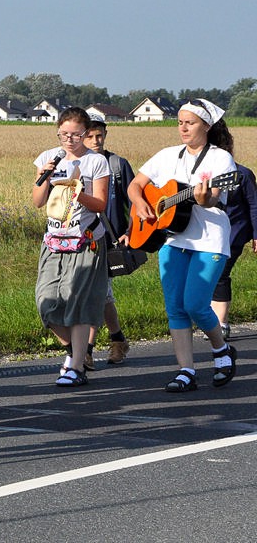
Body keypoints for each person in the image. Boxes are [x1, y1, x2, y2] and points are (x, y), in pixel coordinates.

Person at [127, 99, 237, 392]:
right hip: (173, 239)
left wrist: (204, 199)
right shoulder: (166, 156)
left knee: (195, 304)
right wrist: (140, 202)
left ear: (206, 126)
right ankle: (186, 371)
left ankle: (221, 349)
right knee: (175, 307)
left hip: (209, 239)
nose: (183, 127)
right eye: (180, 122)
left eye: (190, 122)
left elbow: (212, 198)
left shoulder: (220, 160)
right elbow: (135, 185)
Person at [33, 107, 110, 388]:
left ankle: (76, 366)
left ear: (86, 134)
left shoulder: (96, 162)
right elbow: (38, 201)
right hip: (54, 240)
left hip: (84, 240)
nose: (69, 139)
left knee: (74, 300)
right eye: (64, 134)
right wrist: (44, 176)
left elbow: (101, 204)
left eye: (76, 135)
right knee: (46, 302)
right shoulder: (48, 157)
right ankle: (74, 351)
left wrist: (80, 192)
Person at [82, 119, 132, 366]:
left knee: (98, 293)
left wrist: (131, 231)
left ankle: (86, 351)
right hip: (79, 239)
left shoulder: (117, 165)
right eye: (89, 136)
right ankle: (117, 339)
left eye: (99, 136)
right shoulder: (75, 165)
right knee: (101, 295)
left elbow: (135, 201)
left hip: (108, 240)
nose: (95, 141)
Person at [210, 162, 257, 341]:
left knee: (221, 274)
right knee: (210, 276)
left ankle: (221, 325)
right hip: (208, 235)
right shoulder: (203, 173)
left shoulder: (243, 174)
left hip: (234, 234)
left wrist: (256, 235)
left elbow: (254, 205)